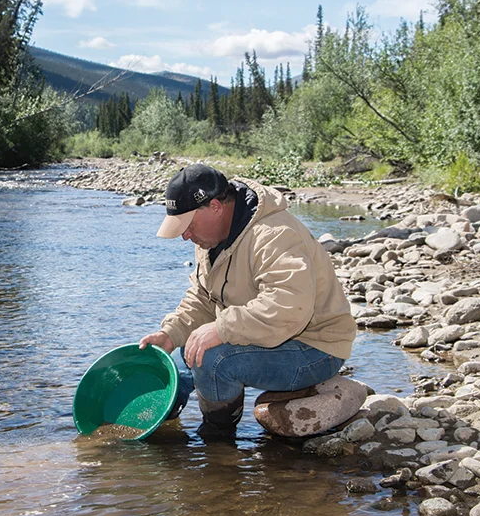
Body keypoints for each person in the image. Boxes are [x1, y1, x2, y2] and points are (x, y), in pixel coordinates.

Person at [139, 163, 360, 437]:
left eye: (188, 225)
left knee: (212, 358)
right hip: (272, 335)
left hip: (315, 346)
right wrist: (170, 334)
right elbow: (202, 298)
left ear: (216, 207)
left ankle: (218, 438)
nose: (185, 235)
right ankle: (167, 408)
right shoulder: (210, 240)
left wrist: (222, 329)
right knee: (191, 345)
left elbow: (290, 306)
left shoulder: (275, 235)